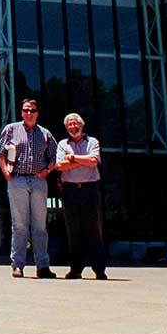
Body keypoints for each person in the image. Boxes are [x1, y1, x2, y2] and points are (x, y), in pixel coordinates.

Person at [0, 98, 57, 278]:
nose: (29, 113)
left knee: (40, 225)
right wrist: (6, 174)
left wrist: (46, 172)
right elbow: (0, 153)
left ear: (37, 113)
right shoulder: (11, 129)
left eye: (32, 110)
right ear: (21, 112)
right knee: (20, 225)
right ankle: (18, 264)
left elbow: (53, 157)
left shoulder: (45, 134)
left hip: (38, 181)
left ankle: (42, 266)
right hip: (18, 180)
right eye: (26, 110)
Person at [55, 113, 107, 279]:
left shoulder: (92, 142)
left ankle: (99, 269)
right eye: (69, 124)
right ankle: (76, 269)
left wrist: (72, 158)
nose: (73, 127)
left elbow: (93, 161)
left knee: (94, 230)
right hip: (70, 190)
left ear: (82, 125)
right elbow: (60, 166)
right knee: (73, 231)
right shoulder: (63, 144)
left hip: (90, 190)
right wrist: (81, 161)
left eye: (75, 123)